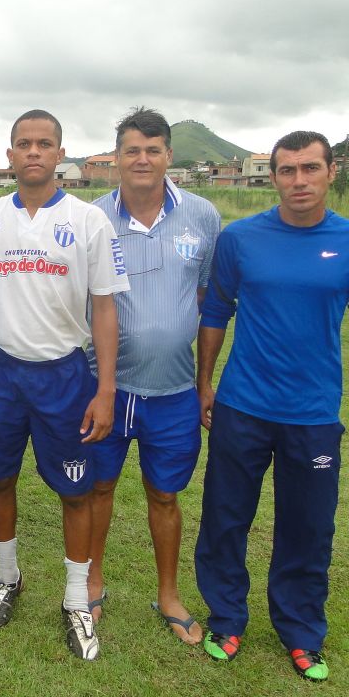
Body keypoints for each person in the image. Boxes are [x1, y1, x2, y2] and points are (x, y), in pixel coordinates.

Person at [0, 109, 129, 660]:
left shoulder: (90, 221)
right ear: (10, 154)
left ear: (60, 153)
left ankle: (74, 600)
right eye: (23, 144)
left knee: (76, 489)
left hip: (63, 373)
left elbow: (105, 309)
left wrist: (105, 389)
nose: (33, 152)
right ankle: (8, 575)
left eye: (44, 144)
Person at [195, 130, 346, 683]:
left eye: (310, 168)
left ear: (332, 171)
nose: (299, 181)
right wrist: (204, 383)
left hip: (313, 414)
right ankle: (227, 617)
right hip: (243, 406)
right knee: (225, 519)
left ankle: (302, 631)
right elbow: (215, 313)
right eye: (287, 170)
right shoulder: (240, 238)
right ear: (274, 176)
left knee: (308, 527)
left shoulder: (347, 239)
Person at [86, 108, 219, 645]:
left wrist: (206, 380)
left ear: (169, 155)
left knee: (165, 496)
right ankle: (91, 582)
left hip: (174, 391)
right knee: (98, 490)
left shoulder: (204, 217)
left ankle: (168, 593)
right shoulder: (90, 216)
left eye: (154, 149)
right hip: (105, 390)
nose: (143, 159)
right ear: (116, 157)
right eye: (132, 150)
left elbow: (208, 300)